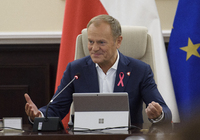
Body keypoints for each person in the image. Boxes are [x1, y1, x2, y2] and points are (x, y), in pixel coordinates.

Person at [24, 14, 172, 126]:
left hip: (125, 137)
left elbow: (165, 112)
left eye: (101, 42)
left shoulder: (139, 70)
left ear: (118, 41)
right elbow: (56, 109)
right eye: (90, 42)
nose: (94, 48)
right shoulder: (75, 70)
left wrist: (157, 114)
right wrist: (39, 116)